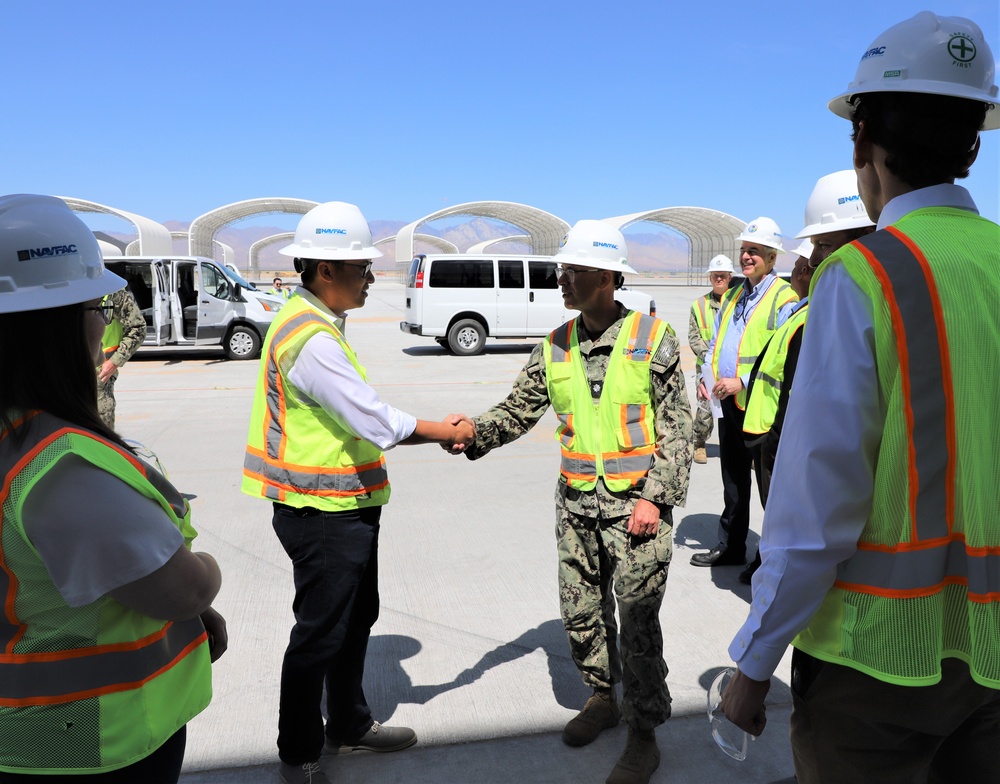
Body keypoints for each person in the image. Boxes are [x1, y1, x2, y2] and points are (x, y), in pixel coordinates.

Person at [722, 13, 1000, 784]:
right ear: (974, 141)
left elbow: (815, 512)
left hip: (876, 669)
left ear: (861, 142)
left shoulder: (865, 277)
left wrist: (753, 662)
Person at [241, 201, 474, 784]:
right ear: (326, 271)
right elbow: (374, 422)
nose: (371, 279)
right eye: (361, 269)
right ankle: (298, 754)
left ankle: (347, 722)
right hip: (319, 511)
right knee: (319, 635)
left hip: (344, 506)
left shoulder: (314, 320)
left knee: (354, 619)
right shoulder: (311, 339)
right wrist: (446, 431)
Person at [0, 194, 226, 783]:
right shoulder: (61, 469)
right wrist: (207, 576)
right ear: (53, 326)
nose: (105, 321)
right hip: (86, 744)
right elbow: (179, 590)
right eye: (94, 305)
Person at [462, 220, 692, 784]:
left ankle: (643, 734)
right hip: (576, 506)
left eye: (575, 270)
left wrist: (657, 501)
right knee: (581, 612)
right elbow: (518, 410)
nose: (561, 278)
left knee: (637, 625)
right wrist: (471, 433)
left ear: (610, 277)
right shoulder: (556, 344)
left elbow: (680, 427)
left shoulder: (651, 338)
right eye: (562, 269)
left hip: (636, 510)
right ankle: (601, 699)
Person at [738, 171, 875, 583]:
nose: (813, 259)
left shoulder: (841, 320)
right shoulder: (815, 310)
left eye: (824, 244)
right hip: (765, 435)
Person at [689, 218, 797, 568]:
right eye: (744, 251)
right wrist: (707, 376)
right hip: (727, 403)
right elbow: (715, 343)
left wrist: (744, 380)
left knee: (769, 488)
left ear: (771, 256)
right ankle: (732, 546)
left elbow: (784, 354)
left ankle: (770, 556)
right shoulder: (734, 294)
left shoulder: (784, 297)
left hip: (760, 407)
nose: (746, 257)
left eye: (754, 251)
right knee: (733, 481)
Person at [688, 254, 733, 464]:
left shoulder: (737, 302)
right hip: (706, 368)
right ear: (710, 278)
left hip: (731, 366)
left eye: (723, 276)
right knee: (706, 407)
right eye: (716, 276)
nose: (719, 279)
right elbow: (693, 336)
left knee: (734, 409)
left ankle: (739, 447)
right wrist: (710, 357)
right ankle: (699, 444)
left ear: (730, 277)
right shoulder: (698, 305)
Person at [97, 287, 146, 429]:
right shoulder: (62, 288)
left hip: (100, 378)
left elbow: (138, 327)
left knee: (102, 439)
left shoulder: (111, 291)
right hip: (66, 380)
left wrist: (114, 362)